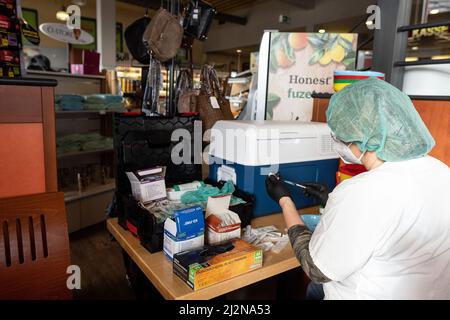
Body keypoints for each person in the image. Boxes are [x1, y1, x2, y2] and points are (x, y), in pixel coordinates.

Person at [265, 78, 450, 300]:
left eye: (340, 134)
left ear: (362, 138)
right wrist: (330, 199)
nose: (338, 140)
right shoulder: (442, 171)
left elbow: (316, 269)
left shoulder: (362, 192)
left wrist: (285, 201)